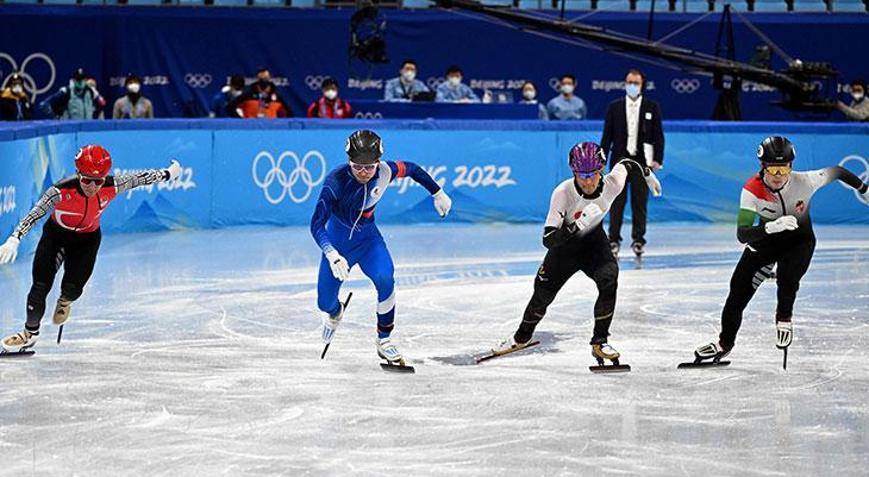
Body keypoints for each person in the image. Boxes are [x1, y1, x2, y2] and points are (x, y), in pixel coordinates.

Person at [692, 136, 869, 364]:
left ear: (790, 167)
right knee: (736, 292)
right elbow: (742, 234)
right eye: (773, 168)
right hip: (767, 240)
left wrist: (864, 189)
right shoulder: (751, 190)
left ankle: (784, 316)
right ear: (763, 166)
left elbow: (838, 171)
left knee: (788, 276)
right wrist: (769, 227)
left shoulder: (806, 181)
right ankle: (724, 343)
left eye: (783, 168)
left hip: (799, 241)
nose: (778, 175)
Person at [492, 142, 661, 366]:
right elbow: (548, 239)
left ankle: (600, 342)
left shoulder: (613, 183)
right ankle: (521, 337)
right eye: (582, 175)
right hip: (564, 249)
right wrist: (575, 225)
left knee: (609, 278)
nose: (588, 181)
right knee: (541, 296)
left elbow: (627, 163)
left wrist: (648, 175)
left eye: (592, 174)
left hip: (594, 244)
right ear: (574, 172)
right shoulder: (563, 193)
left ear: (601, 171)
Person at [0, 145, 182, 353]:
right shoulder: (60, 190)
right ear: (78, 174)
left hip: (86, 242)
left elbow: (140, 178)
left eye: (99, 181)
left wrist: (168, 174)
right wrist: (15, 238)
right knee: (40, 286)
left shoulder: (112, 186)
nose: (93, 186)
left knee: (73, 290)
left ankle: (66, 299)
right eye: (87, 180)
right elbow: (36, 213)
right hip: (55, 238)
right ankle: (29, 334)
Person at [310, 130, 452, 365]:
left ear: (378, 162)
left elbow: (413, 169)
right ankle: (335, 313)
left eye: (370, 167)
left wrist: (438, 192)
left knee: (385, 279)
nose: (364, 173)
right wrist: (332, 253)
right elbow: (316, 225)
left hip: (368, 241)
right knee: (324, 303)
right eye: (357, 167)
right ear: (349, 161)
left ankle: (384, 341)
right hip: (337, 246)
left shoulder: (386, 170)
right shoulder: (335, 182)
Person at [601, 68, 665, 258]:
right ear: (624, 83)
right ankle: (613, 240)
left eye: (636, 83)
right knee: (616, 203)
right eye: (629, 82)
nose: (632, 86)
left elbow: (658, 136)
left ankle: (638, 240)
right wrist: (601, 161)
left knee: (640, 203)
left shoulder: (651, 107)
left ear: (642, 85)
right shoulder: (614, 107)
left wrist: (657, 159)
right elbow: (607, 136)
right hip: (619, 161)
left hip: (641, 161)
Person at [39, 68, 106, 120]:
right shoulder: (66, 92)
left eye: (83, 79)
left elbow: (102, 103)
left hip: (86, 130)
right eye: (78, 79)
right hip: (69, 131)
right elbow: (44, 104)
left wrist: (94, 116)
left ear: (85, 80)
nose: (81, 82)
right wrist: (56, 118)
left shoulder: (91, 91)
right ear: (74, 80)